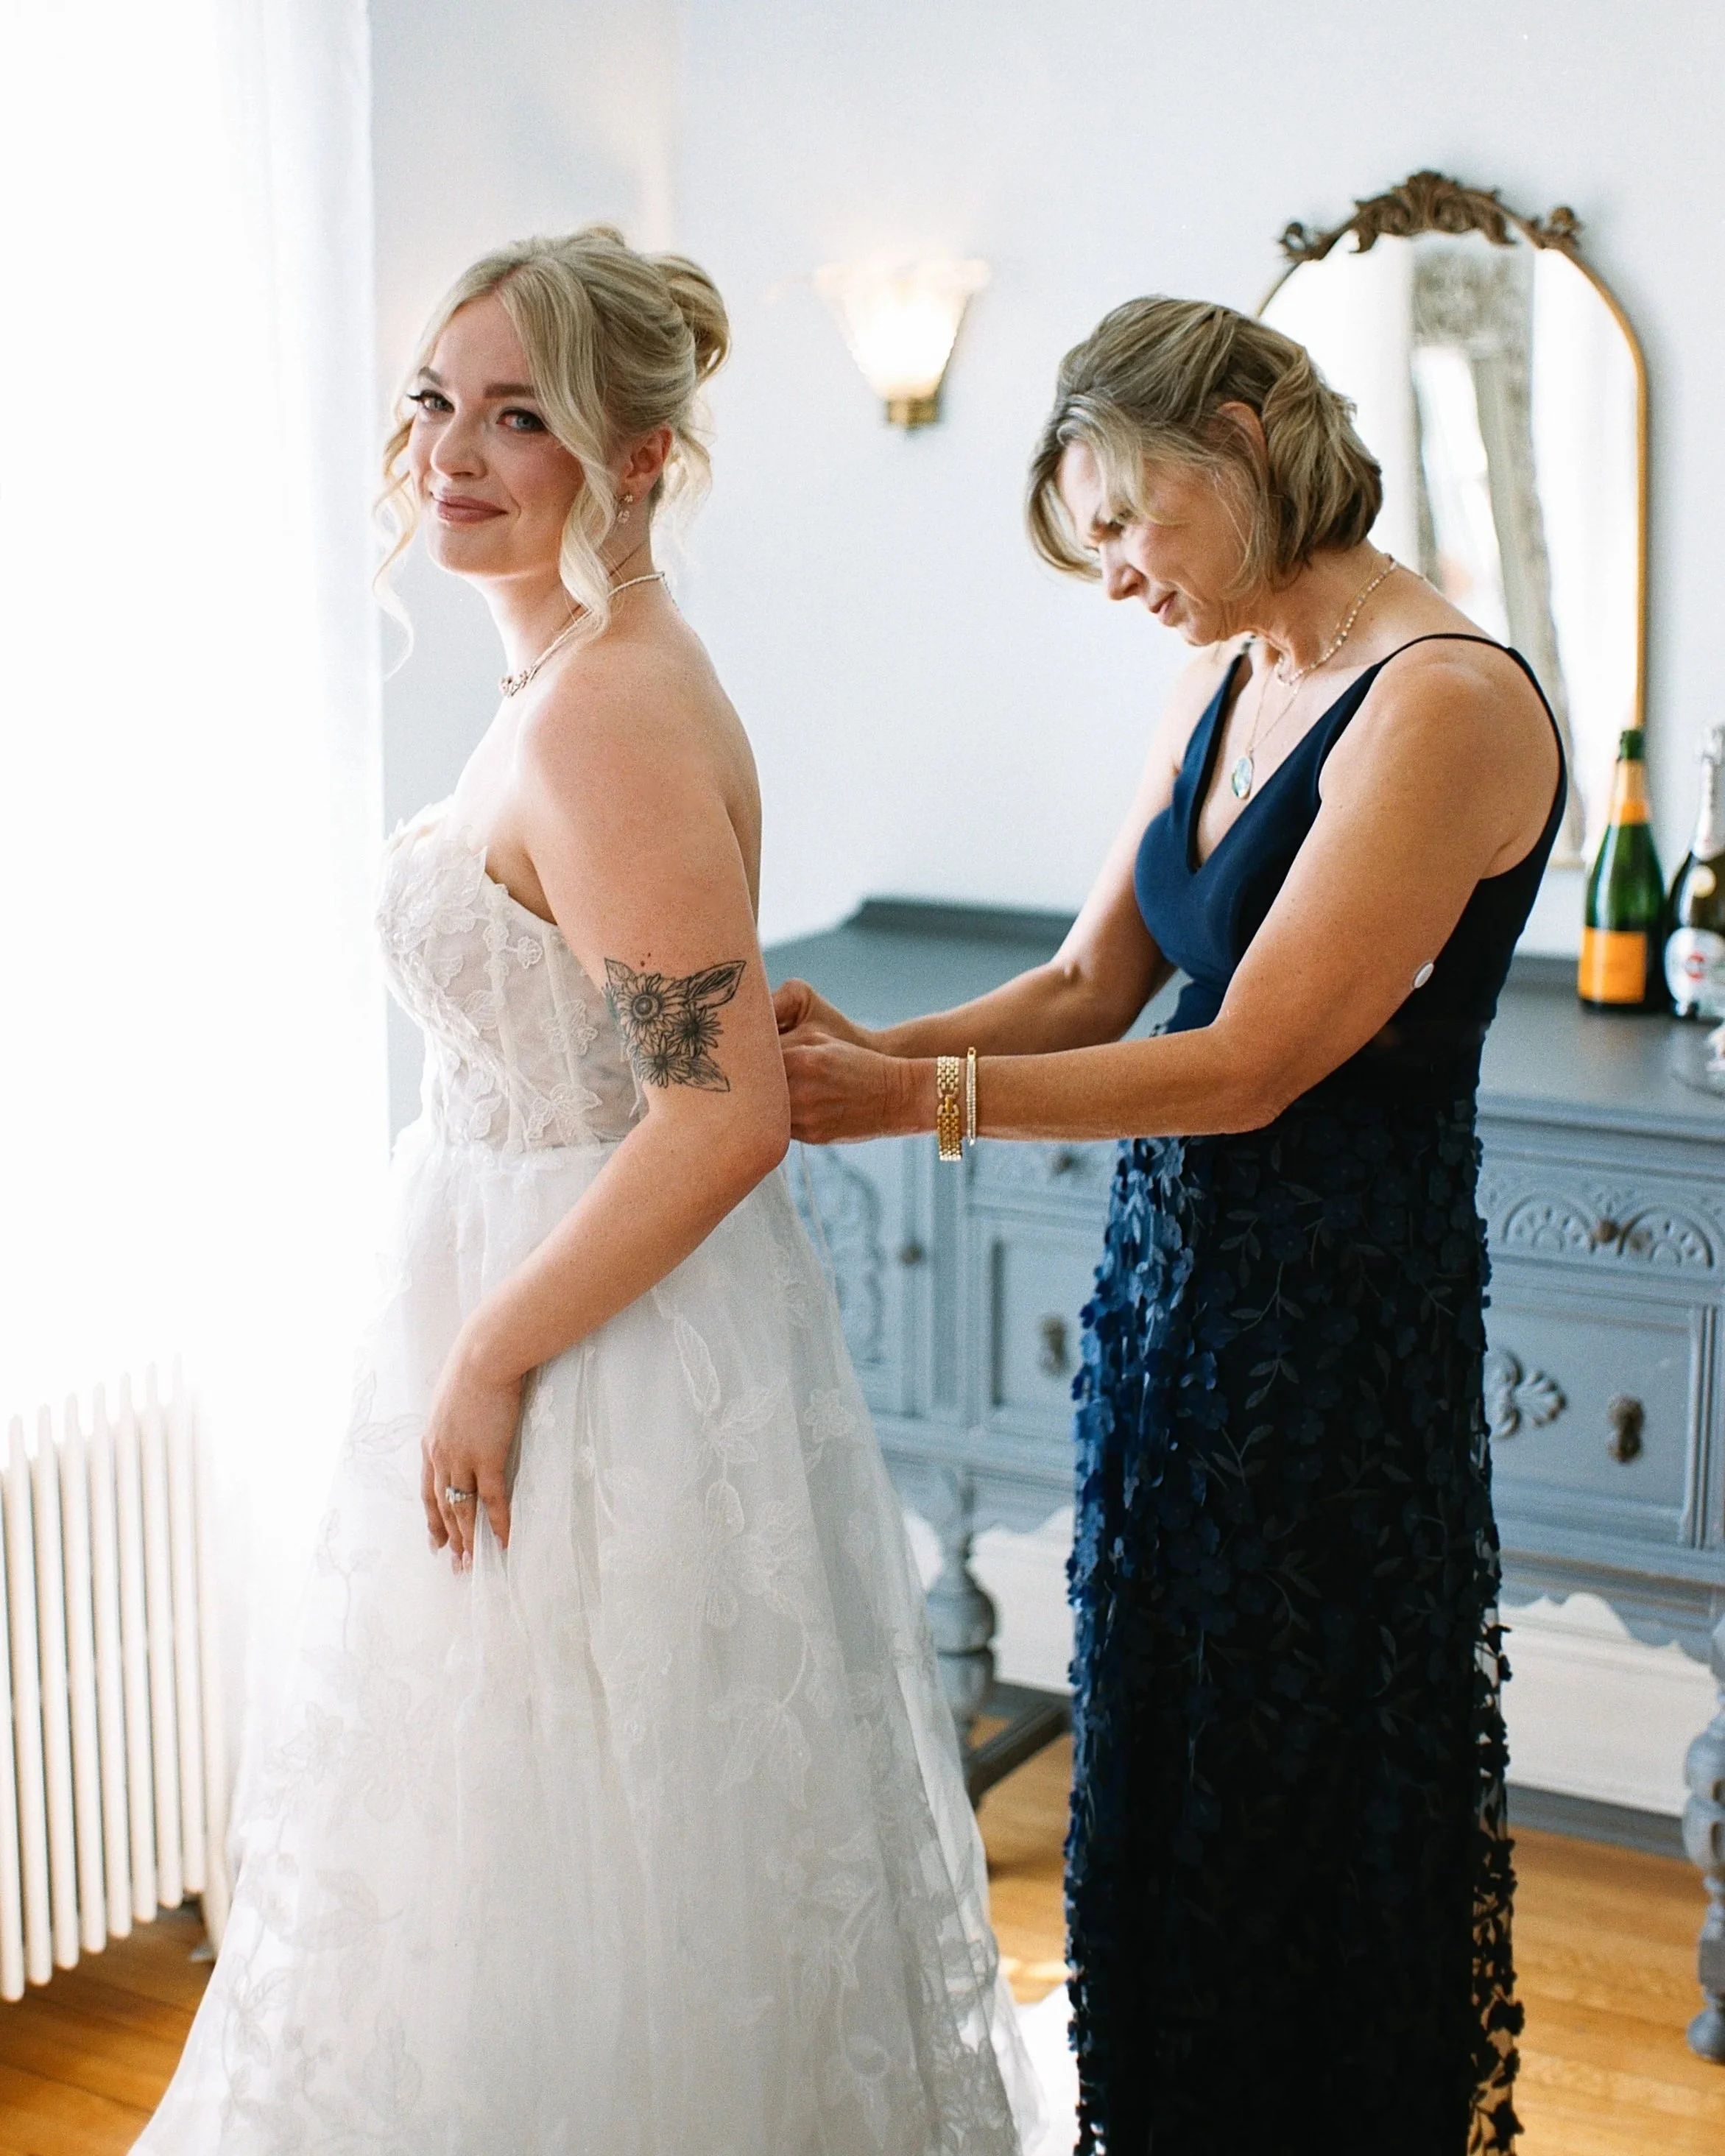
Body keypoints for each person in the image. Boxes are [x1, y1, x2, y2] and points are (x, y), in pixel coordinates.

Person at [137, 226, 1034, 2155]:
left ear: (634, 457)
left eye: (514, 416)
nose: (449, 453)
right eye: (433, 403)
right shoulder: (561, 667)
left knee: (609, 1837)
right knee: (509, 1837)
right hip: (534, 1286)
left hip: (594, 1340)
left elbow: (716, 1120)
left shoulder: (606, 703)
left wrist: (492, 1351)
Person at [775, 296, 1565, 2156]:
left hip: (1327, 1342)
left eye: (1127, 523)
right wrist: (872, 1044)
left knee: (1294, 1807)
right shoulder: (1226, 670)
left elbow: (1249, 1063)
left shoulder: (1441, 698)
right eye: (1091, 546)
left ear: (1242, 432)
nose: (1115, 577)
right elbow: (1078, 982)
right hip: (1173, 1310)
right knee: (1165, 1775)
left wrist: (912, 1104)